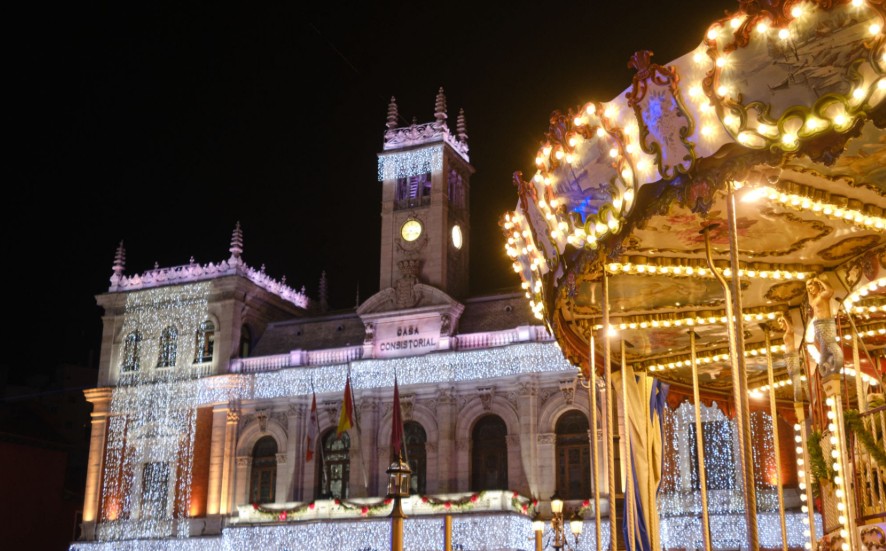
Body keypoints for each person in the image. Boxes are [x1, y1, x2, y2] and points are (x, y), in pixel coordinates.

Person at [806, 277, 843, 378]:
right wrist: (808, 287)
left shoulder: (823, 295)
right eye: (809, 289)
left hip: (826, 323)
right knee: (822, 348)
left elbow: (830, 291)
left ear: (817, 286)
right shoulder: (815, 299)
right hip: (818, 325)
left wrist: (820, 281)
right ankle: (826, 368)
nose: (810, 290)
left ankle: (834, 365)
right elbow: (811, 303)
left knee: (830, 345)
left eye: (812, 287)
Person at [778, 314, 808, 403]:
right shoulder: (787, 333)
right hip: (789, 356)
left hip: (792, 355)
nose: (780, 326)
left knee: (794, 377)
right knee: (793, 377)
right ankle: (802, 389)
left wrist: (785, 317)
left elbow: (791, 328)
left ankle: (802, 391)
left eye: (781, 324)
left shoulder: (789, 331)